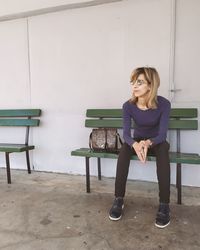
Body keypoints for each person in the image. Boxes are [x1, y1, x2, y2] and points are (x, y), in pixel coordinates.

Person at [109, 67, 171, 228]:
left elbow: (162, 135)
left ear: (151, 85)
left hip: (156, 141)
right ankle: (118, 199)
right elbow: (127, 135)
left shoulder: (164, 104)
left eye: (140, 82)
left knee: (164, 150)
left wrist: (147, 143)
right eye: (133, 83)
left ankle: (164, 205)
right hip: (136, 140)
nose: (134, 86)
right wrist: (136, 144)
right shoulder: (128, 106)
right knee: (124, 150)